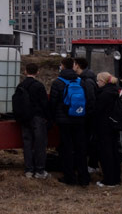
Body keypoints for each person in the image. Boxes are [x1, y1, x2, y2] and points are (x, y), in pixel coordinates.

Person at [48, 57, 93, 186]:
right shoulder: (81, 81)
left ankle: (70, 177)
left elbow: (53, 102)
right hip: (79, 119)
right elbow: (88, 99)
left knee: (66, 149)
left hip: (64, 121)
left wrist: (53, 118)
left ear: (62, 66)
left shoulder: (58, 82)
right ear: (73, 66)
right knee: (80, 149)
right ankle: (84, 177)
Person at [17, 63, 49, 179]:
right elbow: (45, 103)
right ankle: (40, 171)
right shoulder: (39, 86)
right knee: (39, 145)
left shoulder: (21, 85)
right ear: (37, 72)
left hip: (25, 119)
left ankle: (29, 170)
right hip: (37, 118)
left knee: (27, 144)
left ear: (25, 71)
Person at [92, 72, 122, 187]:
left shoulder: (104, 94)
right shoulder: (114, 91)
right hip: (113, 127)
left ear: (103, 81)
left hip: (104, 127)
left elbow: (97, 111)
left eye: (98, 81)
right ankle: (116, 178)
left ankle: (109, 180)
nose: (97, 83)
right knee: (114, 152)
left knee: (106, 154)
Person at [73, 57, 98, 173]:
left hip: (88, 117)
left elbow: (91, 100)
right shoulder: (86, 78)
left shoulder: (87, 80)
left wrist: (86, 114)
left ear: (77, 65)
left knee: (89, 141)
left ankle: (92, 165)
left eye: (74, 64)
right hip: (88, 116)